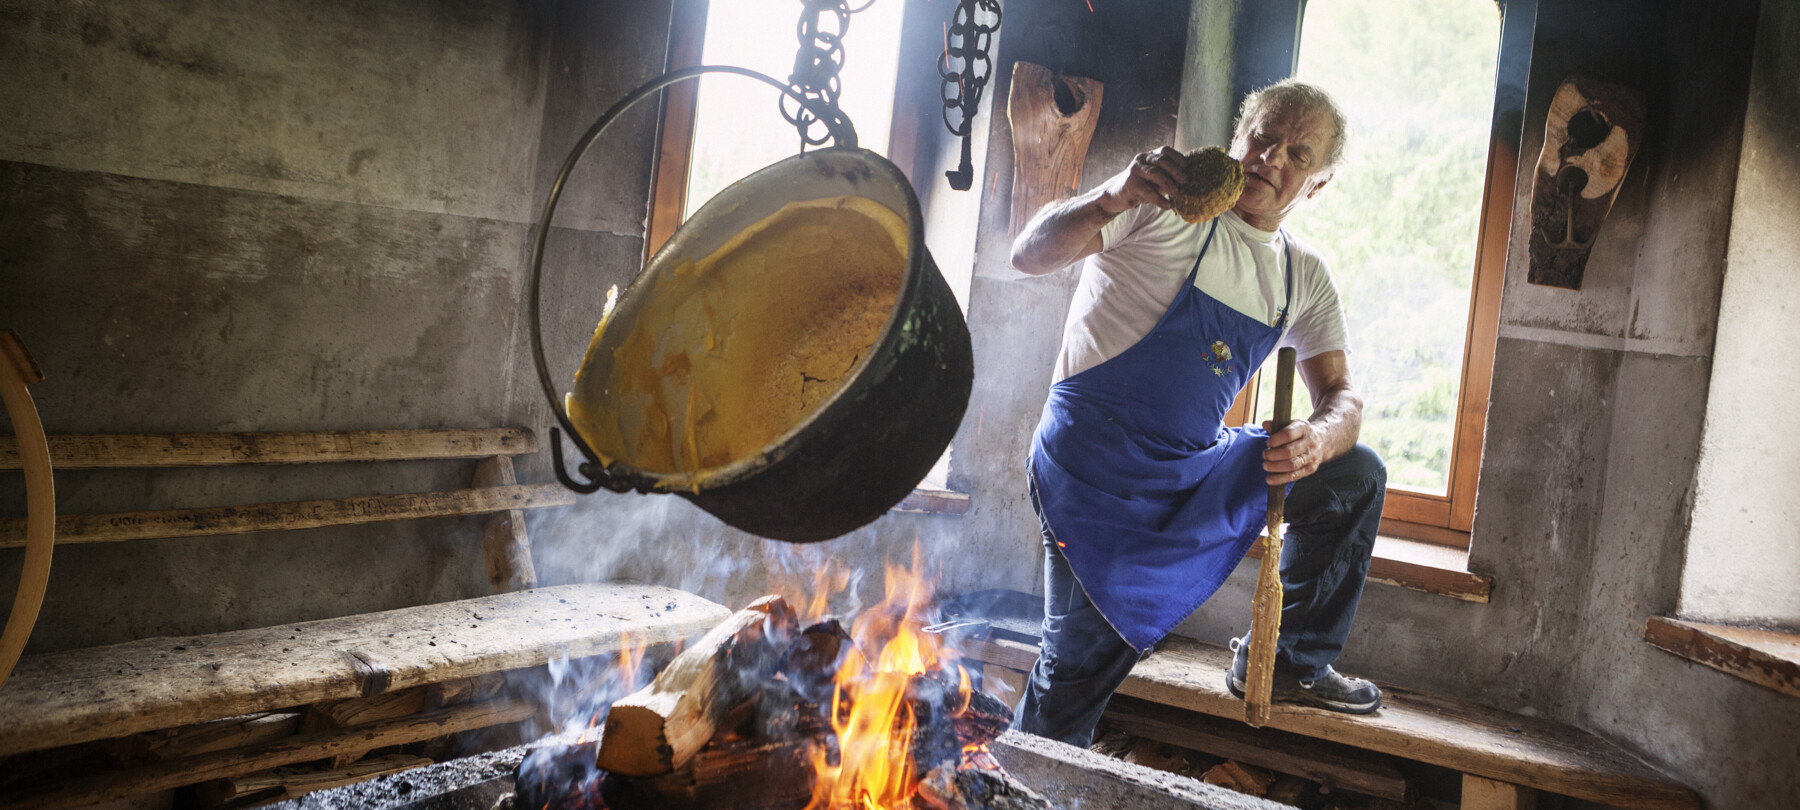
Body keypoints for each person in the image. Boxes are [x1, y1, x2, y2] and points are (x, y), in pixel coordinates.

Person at [1008, 79, 1387, 748]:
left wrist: (1318, 439)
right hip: (1088, 469)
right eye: (1263, 139)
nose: (1272, 159)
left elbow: (1345, 400)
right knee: (1073, 673)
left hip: (1184, 472)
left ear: (1317, 185)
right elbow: (1028, 255)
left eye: (1298, 154)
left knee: (1354, 472)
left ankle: (1290, 660)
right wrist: (1110, 195)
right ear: (1238, 137)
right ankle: (1021, 780)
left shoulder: (1303, 277)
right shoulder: (1157, 208)